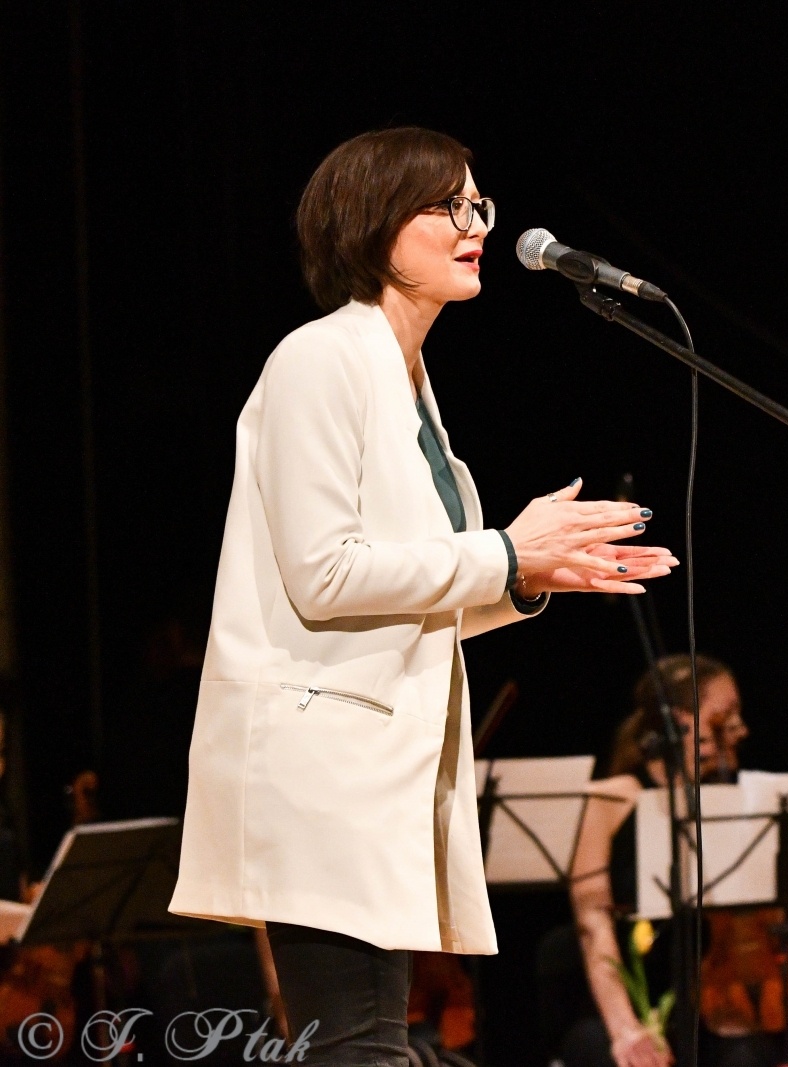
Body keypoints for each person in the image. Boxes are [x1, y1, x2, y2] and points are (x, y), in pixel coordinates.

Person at [168, 127, 678, 1066]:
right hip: (322, 771)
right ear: (370, 224)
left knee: (372, 1043)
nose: (474, 222)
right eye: (445, 205)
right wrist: (501, 551)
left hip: (378, 774)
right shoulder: (319, 359)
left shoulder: (410, 387)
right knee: (363, 1048)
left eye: (476, 203)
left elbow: (412, 591)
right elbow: (325, 575)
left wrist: (523, 576)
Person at [549, 653, 788, 1067]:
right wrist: (627, 1030)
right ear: (680, 720)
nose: (740, 728)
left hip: (712, 996)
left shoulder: (734, 795)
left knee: (748, 1056)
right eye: (724, 714)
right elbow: (593, 924)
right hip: (622, 999)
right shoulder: (612, 798)